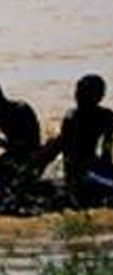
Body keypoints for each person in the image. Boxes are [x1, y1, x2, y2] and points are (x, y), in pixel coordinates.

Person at [43, 74, 113, 202]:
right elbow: (64, 150)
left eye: (84, 92)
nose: (78, 96)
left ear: (100, 97)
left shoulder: (106, 117)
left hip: (90, 169)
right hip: (80, 173)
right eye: (79, 91)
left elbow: (107, 151)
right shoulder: (73, 117)